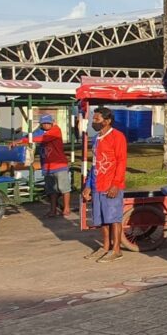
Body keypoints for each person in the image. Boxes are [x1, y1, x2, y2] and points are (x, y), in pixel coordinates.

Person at [81, 107, 128, 261]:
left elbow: (122, 162)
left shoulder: (117, 137)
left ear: (107, 121)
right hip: (97, 185)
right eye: (93, 119)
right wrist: (88, 185)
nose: (94, 122)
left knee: (114, 218)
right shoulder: (97, 139)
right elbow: (94, 164)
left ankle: (116, 249)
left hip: (111, 185)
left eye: (97, 119)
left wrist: (116, 184)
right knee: (101, 219)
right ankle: (105, 246)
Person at [30, 115, 71, 217]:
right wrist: (21, 140)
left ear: (52, 123)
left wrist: (25, 140)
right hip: (47, 166)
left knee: (64, 188)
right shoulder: (40, 131)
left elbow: (41, 138)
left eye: (48, 123)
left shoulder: (56, 130)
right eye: (44, 123)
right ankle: (53, 210)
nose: (46, 125)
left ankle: (66, 208)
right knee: (51, 190)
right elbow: (31, 136)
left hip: (59, 165)